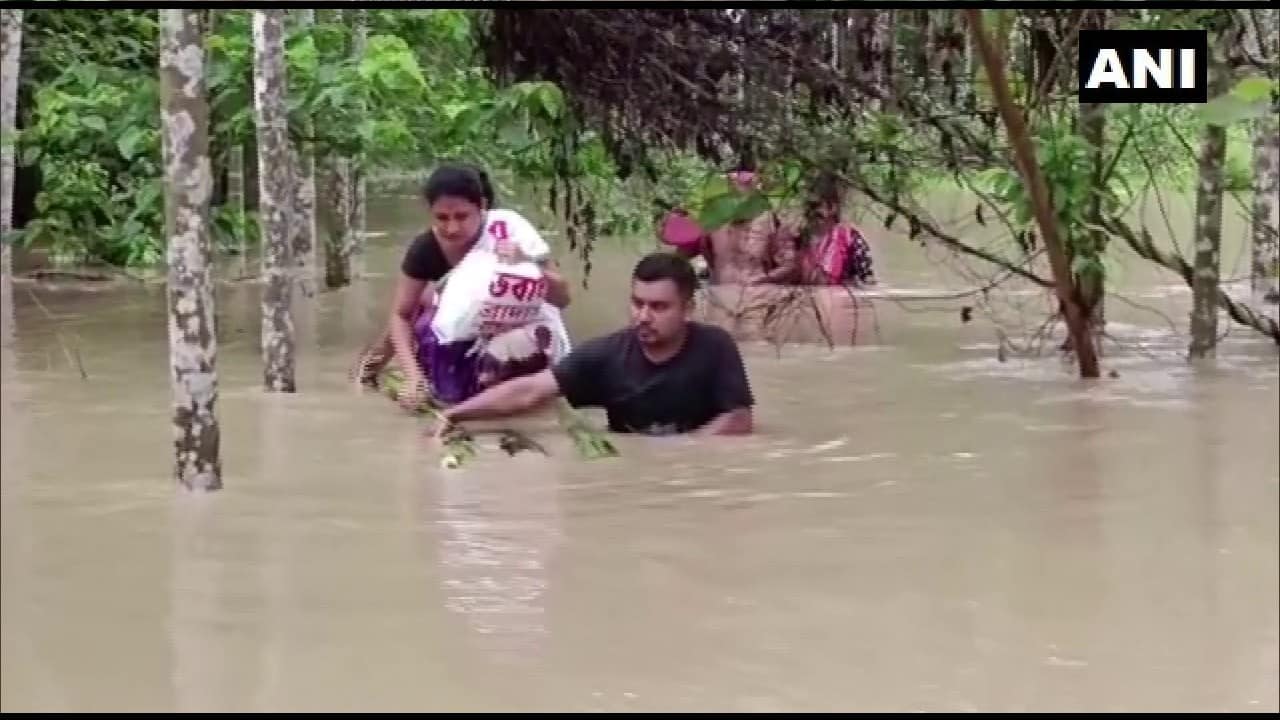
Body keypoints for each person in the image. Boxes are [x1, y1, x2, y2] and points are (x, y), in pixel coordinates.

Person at [436, 252, 755, 437]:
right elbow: (529, 391)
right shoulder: (606, 356)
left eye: (658, 307)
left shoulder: (715, 347)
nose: (643, 316)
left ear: (688, 309)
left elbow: (738, 420)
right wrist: (454, 416)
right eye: (637, 303)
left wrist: (679, 456)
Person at [352, 163, 572, 409]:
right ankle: (374, 373)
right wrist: (413, 377)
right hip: (457, 339)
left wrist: (528, 265)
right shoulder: (425, 249)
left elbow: (562, 299)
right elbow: (400, 315)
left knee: (522, 351)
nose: (452, 228)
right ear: (429, 212)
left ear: (482, 207)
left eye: (462, 216)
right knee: (423, 304)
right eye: (442, 218)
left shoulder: (510, 233)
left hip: (517, 337)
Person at [666, 167, 797, 286]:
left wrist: (765, 279)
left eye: (745, 184)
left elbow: (790, 265)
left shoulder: (772, 221)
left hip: (758, 300)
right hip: (722, 299)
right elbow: (680, 256)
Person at [792, 171, 876, 287]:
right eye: (807, 206)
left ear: (832, 207)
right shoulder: (797, 239)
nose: (809, 212)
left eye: (815, 206)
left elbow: (868, 282)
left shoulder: (851, 240)